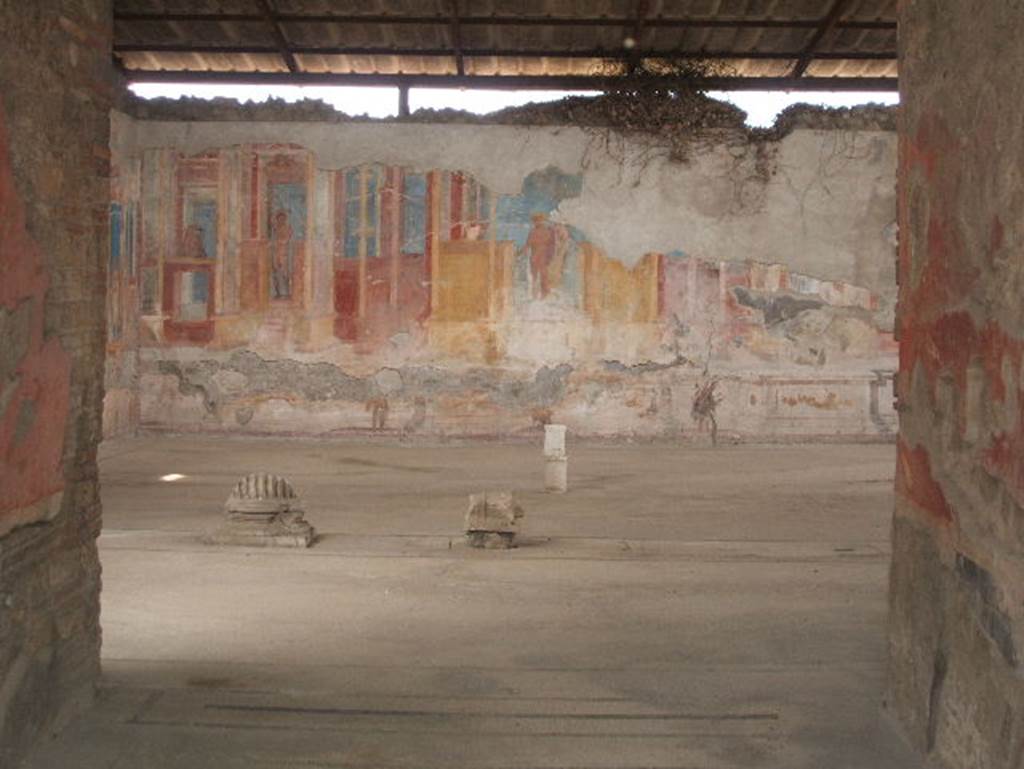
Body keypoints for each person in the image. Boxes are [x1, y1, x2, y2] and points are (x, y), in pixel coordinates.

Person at [270, 209, 293, 299]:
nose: (281, 220)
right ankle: (278, 292)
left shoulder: (288, 228)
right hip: (276, 253)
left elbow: (286, 240)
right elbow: (274, 240)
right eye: (279, 218)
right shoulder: (275, 228)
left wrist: (280, 242)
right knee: (275, 273)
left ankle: (287, 292)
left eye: (282, 218)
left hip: (284, 253)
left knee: (285, 274)